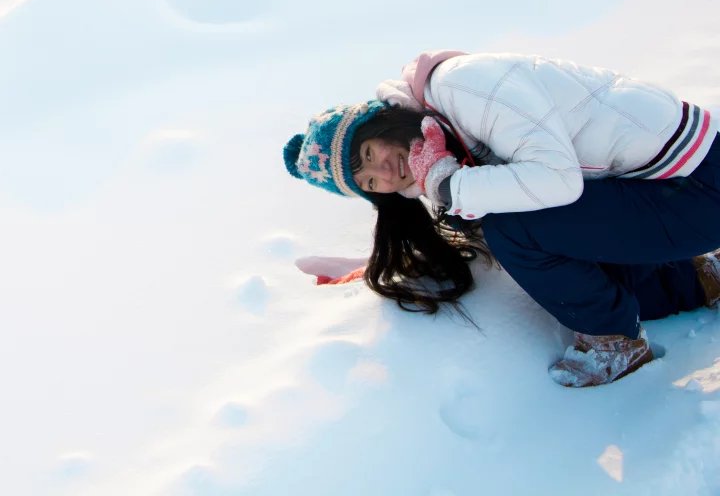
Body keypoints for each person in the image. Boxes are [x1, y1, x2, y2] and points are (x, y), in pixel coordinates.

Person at [282, 50, 720, 387]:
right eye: (369, 182)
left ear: (377, 123)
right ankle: (700, 277)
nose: (384, 172)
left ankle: (614, 341)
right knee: (523, 225)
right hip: (670, 185)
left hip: (698, 181)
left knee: (513, 227)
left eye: (367, 154)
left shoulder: (462, 87)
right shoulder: (442, 130)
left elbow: (557, 180)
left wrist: (448, 187)